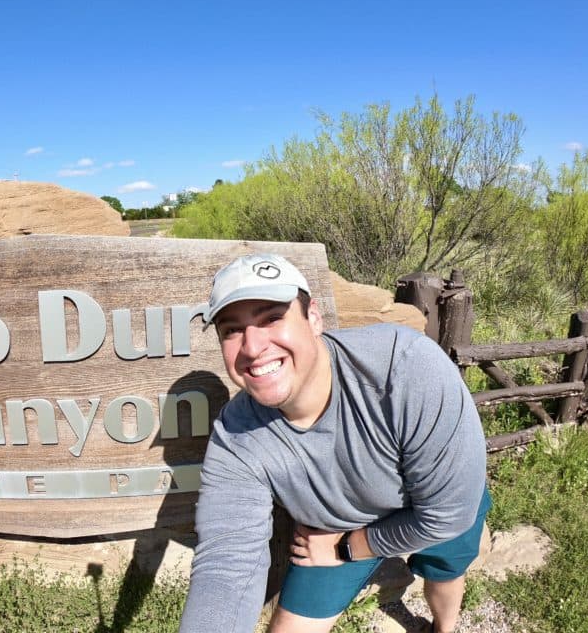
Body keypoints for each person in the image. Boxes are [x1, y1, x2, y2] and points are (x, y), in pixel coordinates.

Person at [179, 254, 489, 633]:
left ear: (313, 319)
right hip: (336, 526)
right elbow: (226, 565)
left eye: (272, 317)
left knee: (443, 570)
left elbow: (448, 514)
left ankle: (445, 626)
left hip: (425, 503)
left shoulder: (404, 368)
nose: (252, 346)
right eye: (231, 330)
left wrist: (349, 547)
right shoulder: (237, 436)